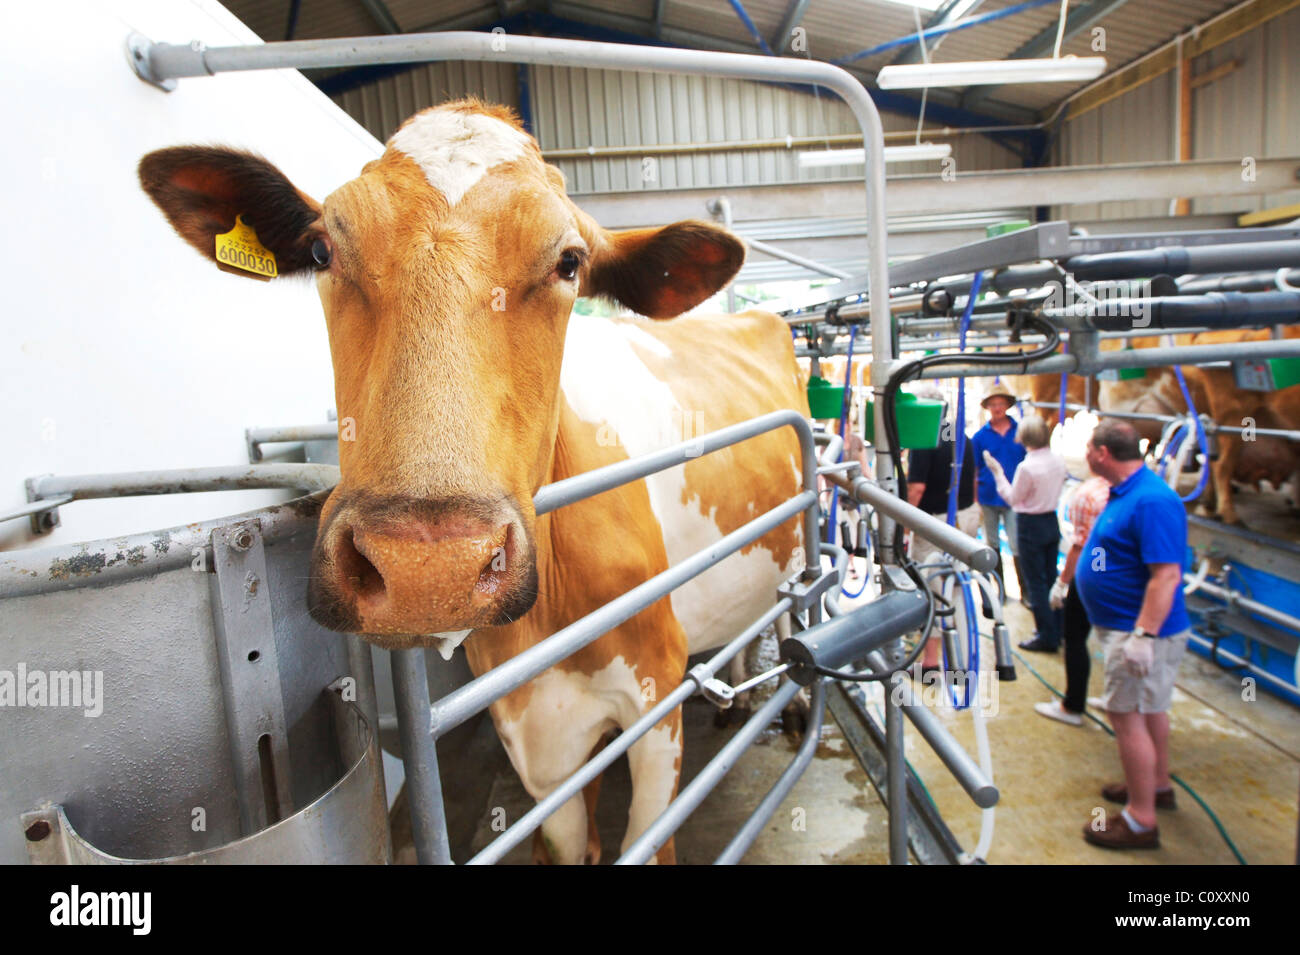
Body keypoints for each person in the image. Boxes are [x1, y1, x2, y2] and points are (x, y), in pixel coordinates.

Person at [1074, 419, 1191, 850]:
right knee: (1149, 710)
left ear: (1102, 453)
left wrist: (1142, 635)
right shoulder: (1129, 491)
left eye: (1089, 449)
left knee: (1126, 717)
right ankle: (1155, 785)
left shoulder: (1153, 501)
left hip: (1139, 632)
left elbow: (1167, 576)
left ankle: (1140, 820)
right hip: (1130, 627)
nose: (1086, 455)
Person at [905, 386, 978, 674]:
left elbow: (916, 489)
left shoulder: (925, 439)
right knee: (957, 585)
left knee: (932, 586)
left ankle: (931, 661)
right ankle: (958, 653)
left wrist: (902, 526)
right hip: (965, 517)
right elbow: (973, 480)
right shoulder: (962, 437)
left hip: (934, 523)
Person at [981, 414, 1067, 653]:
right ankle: (1057, 629)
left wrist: (997, 473)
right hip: (1051, 520)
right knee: (1051, 578)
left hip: (1031, 524)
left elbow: (1012, 497)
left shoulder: (1027, 467)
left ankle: (1046, 635)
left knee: (1036, 582)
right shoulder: (1058, 461)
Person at [1035, 474, 1110, 725]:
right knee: (1113, 638)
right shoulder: (1129, 492)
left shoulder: (1089, 495)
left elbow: (1082, 546)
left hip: (1095, 573)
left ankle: (1073, 706)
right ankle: (1115, 699)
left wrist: (1063, 581)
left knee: (1075, 637)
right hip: (1119, 574)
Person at [970, 385, 1031, 606]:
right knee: (992, 543)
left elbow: (1030, 463)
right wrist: (976, 500)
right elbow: (975, 470)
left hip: (1015, 496)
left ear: (1007, 405)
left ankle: (1026, 593)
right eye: (993, 404)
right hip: (988, 496)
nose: (997, 408)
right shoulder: (979, 437)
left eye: (1000, 404)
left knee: (1016, 544)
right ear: (988, 408)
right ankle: (1000, 590)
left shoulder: (1020, 432)